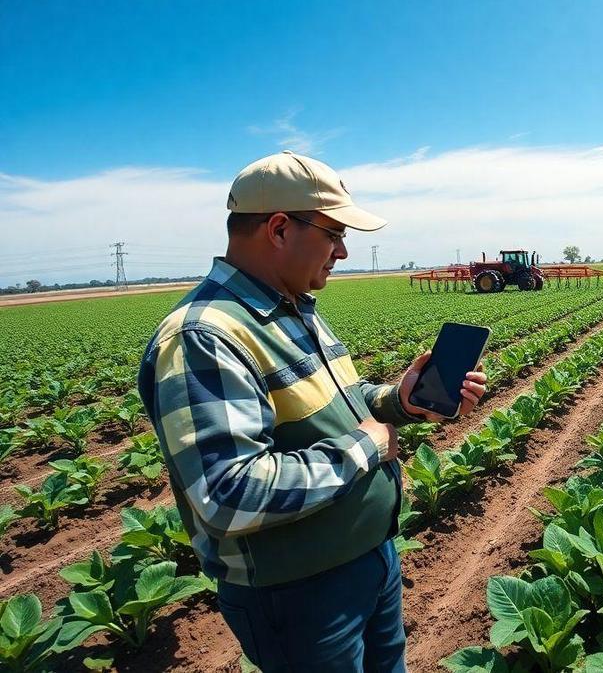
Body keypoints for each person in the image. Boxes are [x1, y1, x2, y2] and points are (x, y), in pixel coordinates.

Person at [137, 150, 487, 672]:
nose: (343, 251)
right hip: (300, 594)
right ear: (279, 229)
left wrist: (400, 400)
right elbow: (228, 494)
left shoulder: (291, 307)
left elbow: (335, 405)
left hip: (370, 559)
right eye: (334, 233)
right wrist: (366, 446)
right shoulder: (204, 336)